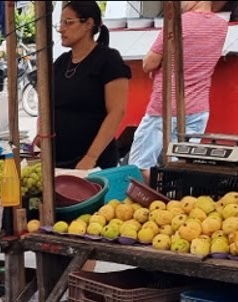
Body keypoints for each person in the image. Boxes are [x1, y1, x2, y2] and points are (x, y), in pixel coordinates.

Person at [129, 1, 227, 176]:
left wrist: (160, 66)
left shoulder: (177, 23)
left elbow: (148, 63)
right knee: (178, 168)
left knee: (139, 165)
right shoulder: (221, 26)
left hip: (164, 108)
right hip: (198, 110)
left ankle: (153, 201)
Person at [49, 1, 131, 170]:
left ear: (88, 24)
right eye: (61, 23)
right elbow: (48, 107)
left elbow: (116, 111)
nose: (61, 29)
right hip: (58, 160)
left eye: (68, 22)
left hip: (94, 163)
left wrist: (91, 157)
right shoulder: (61, 62)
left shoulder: (108, 60)